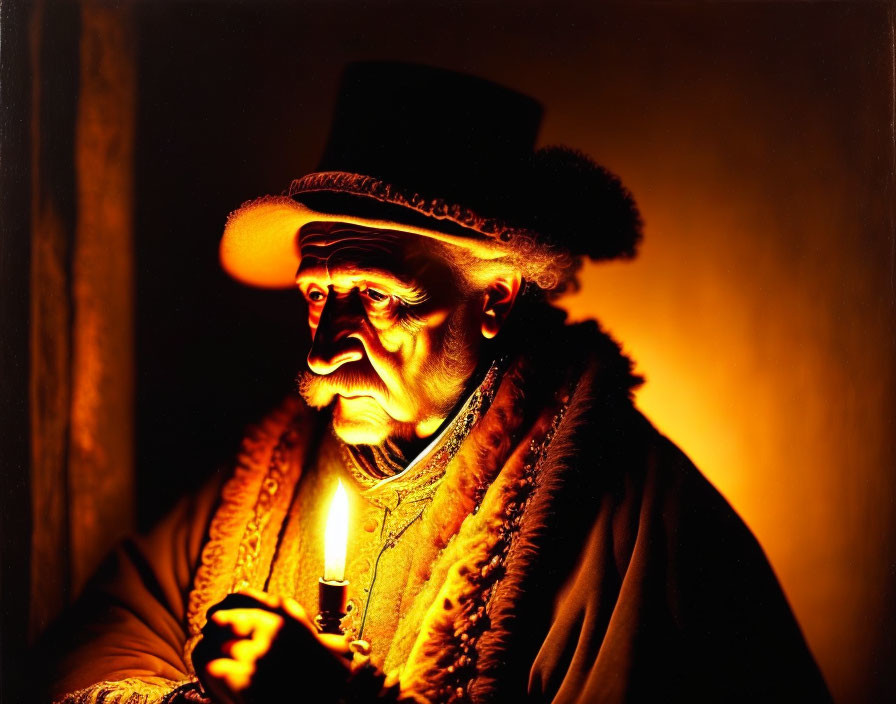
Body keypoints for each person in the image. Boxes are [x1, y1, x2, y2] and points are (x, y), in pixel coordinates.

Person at [42, 62, 832, 704]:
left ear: (493, 299)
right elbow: (94, 643)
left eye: (379, 298)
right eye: (318, 295)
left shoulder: (630, 523)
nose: (322, 354)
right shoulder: (262, 478)